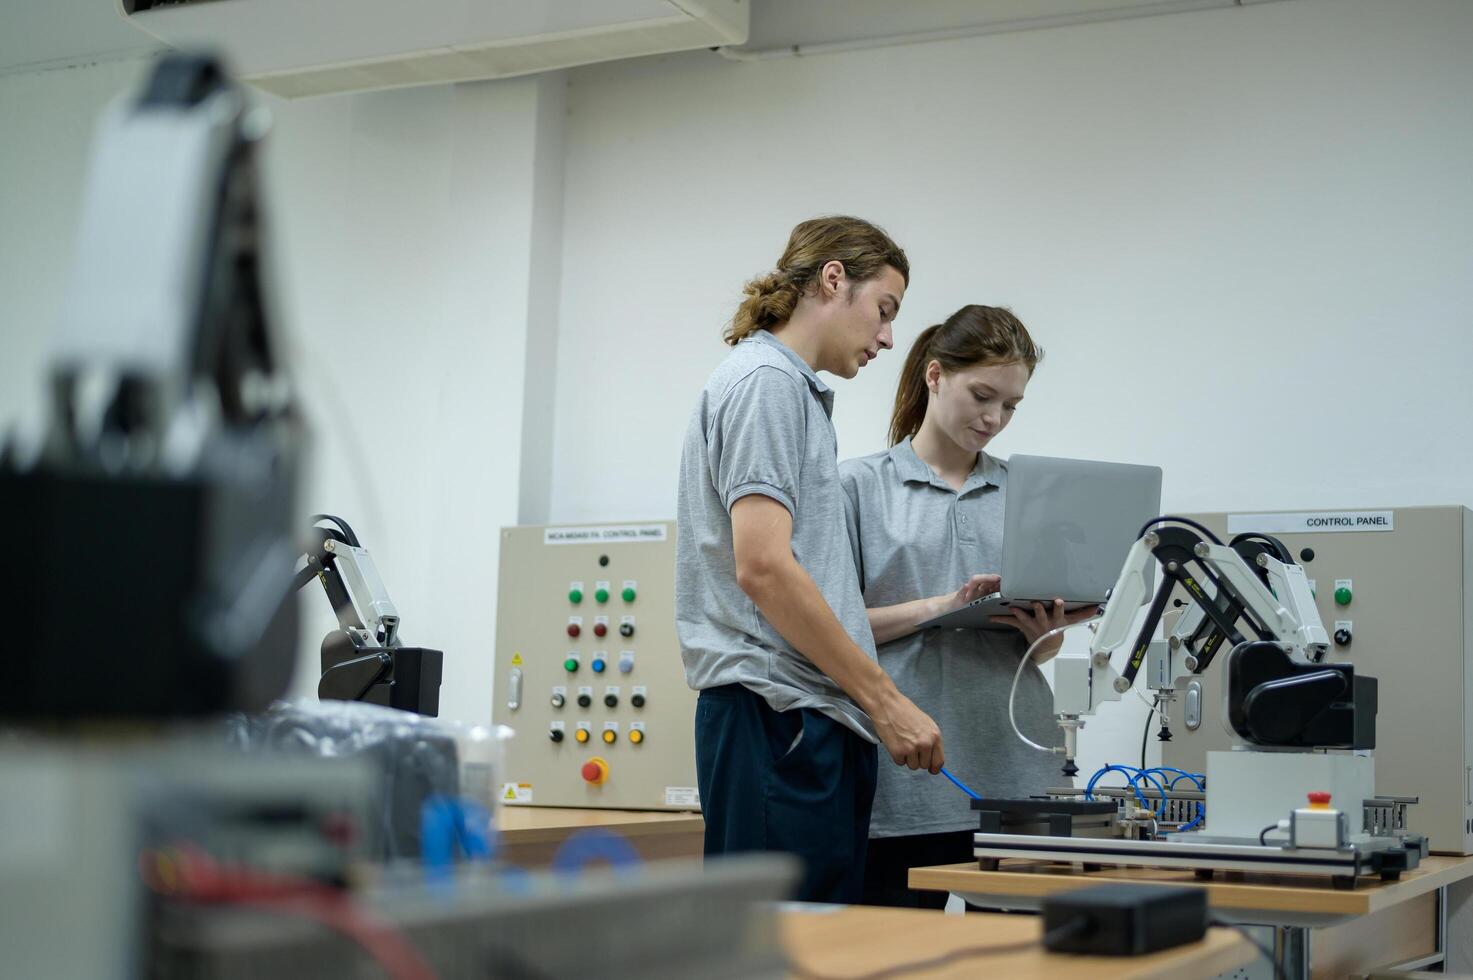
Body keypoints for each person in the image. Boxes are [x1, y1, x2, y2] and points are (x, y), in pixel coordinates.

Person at [676, 216, 946, 903]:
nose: (888, 337)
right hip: (777, 719)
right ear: (832, 280)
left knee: (820, 947)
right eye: (883, 310)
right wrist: (883, 701)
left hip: (803, 719)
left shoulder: (790, 392)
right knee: (782, 951)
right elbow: (762, 568)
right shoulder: (765, 383)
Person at [839, 304, 1096, 908]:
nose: (995, 418)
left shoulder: (1027, 495)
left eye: (1010, 405)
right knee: (890, 955)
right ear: (934, 375)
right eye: (983, 395)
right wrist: (941, 607)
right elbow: (830, 627)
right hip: (904, 776)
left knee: (1023, 963)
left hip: (1017, 770)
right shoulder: (856, 486)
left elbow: (1042, 650)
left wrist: (1046, 632)